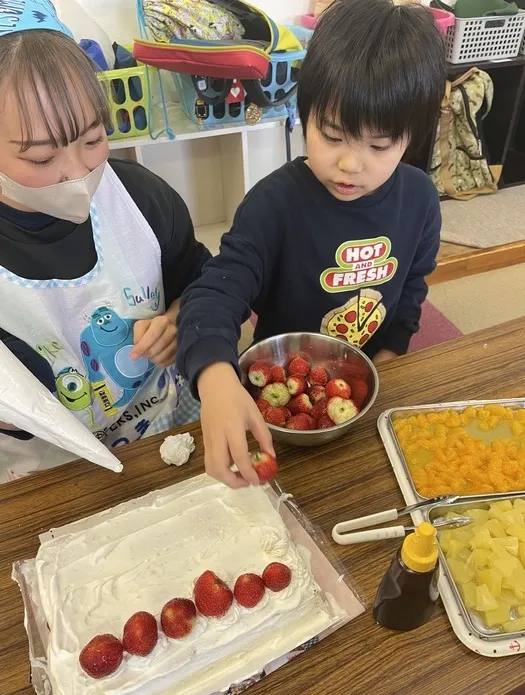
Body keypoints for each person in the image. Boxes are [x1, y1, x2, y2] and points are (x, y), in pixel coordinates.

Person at [176, 0, 447, 488]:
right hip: (285, 406)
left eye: (379, 146)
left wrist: (387, 366)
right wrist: (215, 378)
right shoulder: (274, 203)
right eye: (332, 135)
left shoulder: (421, 200)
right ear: (305, 115)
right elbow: (216, 292)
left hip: (365, 394)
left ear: (411, 137)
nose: (350, 164)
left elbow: (409, 292)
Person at [0, 0, 210, 461]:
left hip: (161, 432)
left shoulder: (143, 199)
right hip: (47, 471)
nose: (77, 173)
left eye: (93, 140)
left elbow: (202, 283)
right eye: (40, 158)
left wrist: (178, 321)